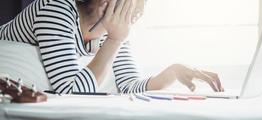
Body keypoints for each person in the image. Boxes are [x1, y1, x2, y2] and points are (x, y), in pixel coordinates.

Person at [0, 0, 224, 94]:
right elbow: (70, 92)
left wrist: (171, 72)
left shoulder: (112, 28)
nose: (136, 16)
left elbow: (127, 86)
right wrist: (115, 40)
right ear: (106, 3)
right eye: (131, 8)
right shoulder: (56, 9)